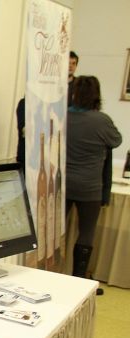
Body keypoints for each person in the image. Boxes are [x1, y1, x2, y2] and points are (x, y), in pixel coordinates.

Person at [65, 75, 122, 280]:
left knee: (55, 231)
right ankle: (79, 277)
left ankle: (52, 272)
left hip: (63, 184)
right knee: (87, 232)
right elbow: (116, 140)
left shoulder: (62, 117)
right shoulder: (101, 121)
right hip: (90, 187)